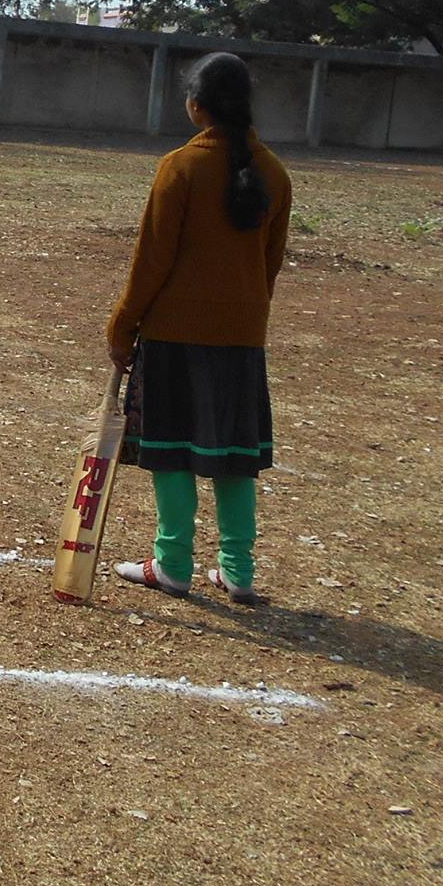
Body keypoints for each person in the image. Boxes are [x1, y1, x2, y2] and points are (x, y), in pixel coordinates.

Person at [104, 52, 292, 606]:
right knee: (234, 456)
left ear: (195, 105)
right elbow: (270, 265)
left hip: (174, 335)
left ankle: (173, 565)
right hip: (241, 339)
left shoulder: (180, 168)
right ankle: (238, 571)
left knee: (170, 450)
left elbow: (151, 262)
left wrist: (122, 327)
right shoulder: (276, 174)